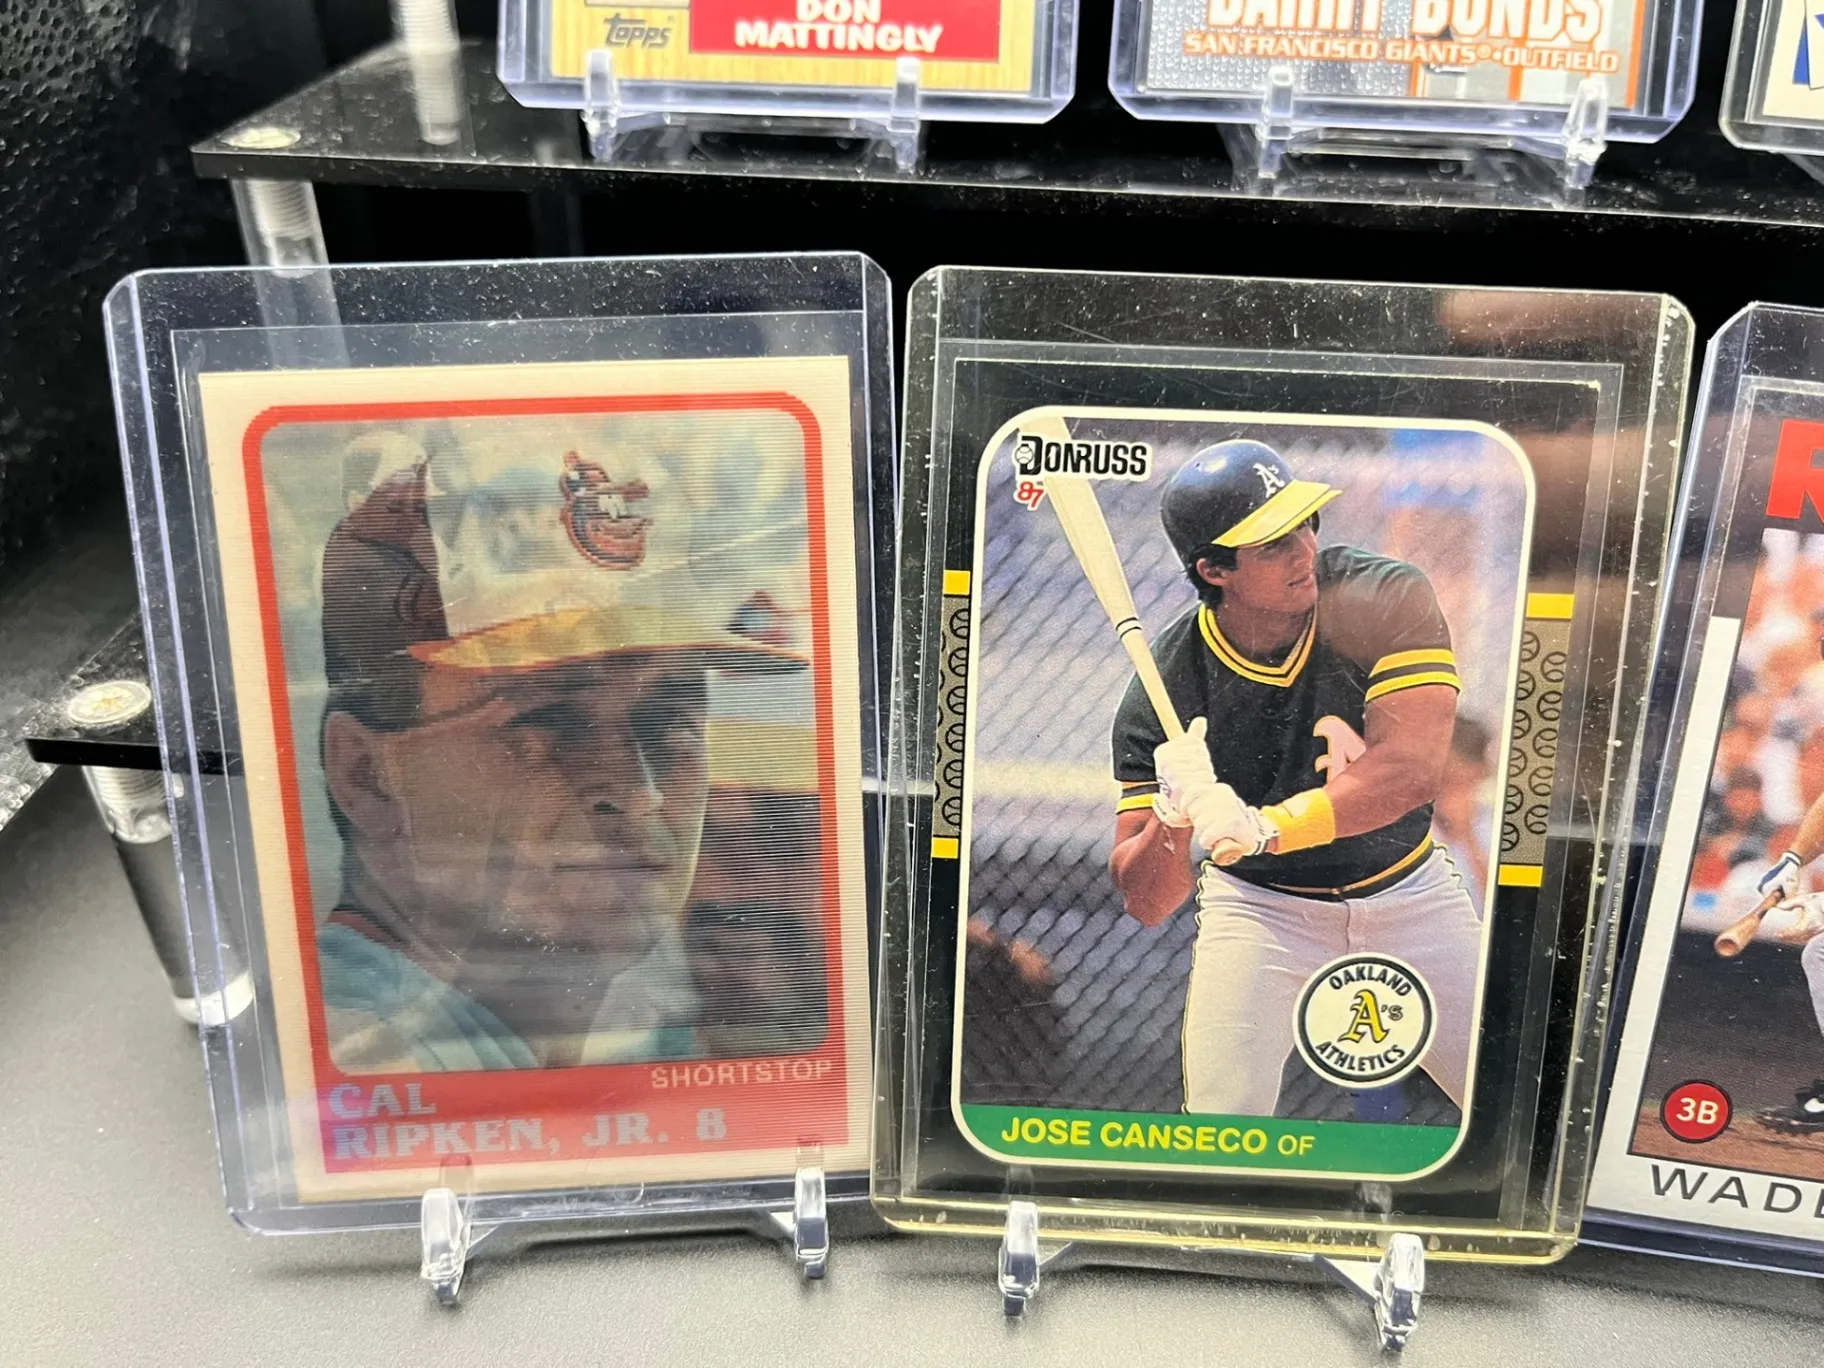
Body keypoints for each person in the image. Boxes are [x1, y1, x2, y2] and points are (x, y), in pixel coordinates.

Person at [315, 453, 803, 1073]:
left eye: (669, 726)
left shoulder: (644, 1031)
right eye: (550, 720)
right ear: (366, 776)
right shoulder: (348, 1048)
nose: (640, 791)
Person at [1108, 440, 1485, 1117]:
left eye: (1306, 523)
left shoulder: (1381, 594)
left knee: (1516, 1108)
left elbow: (1409, 771)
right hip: (1261, 912)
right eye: (1274, 543)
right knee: (1221, 1128)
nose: (1305, 549)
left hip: (1412, 895)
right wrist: (1172, 813)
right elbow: (1147, 902)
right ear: (1214, 569)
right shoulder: (1167, 686)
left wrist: (1264, 828)